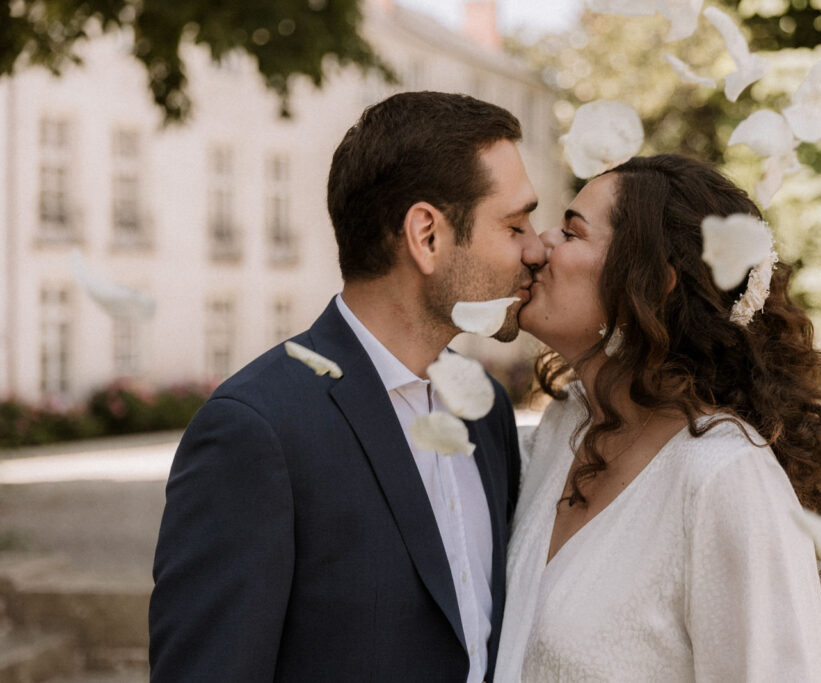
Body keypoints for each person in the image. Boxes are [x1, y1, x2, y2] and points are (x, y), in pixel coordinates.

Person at [149, 91, 545, 681]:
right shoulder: (256, 431)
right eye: (515, 224)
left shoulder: (483, 411)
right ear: (427, 236)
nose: (537, 248)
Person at [495, 154, 821, 682]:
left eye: (572, 233)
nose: (540, 245)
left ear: (649, 285)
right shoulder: (561, 430)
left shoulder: (724, 478)